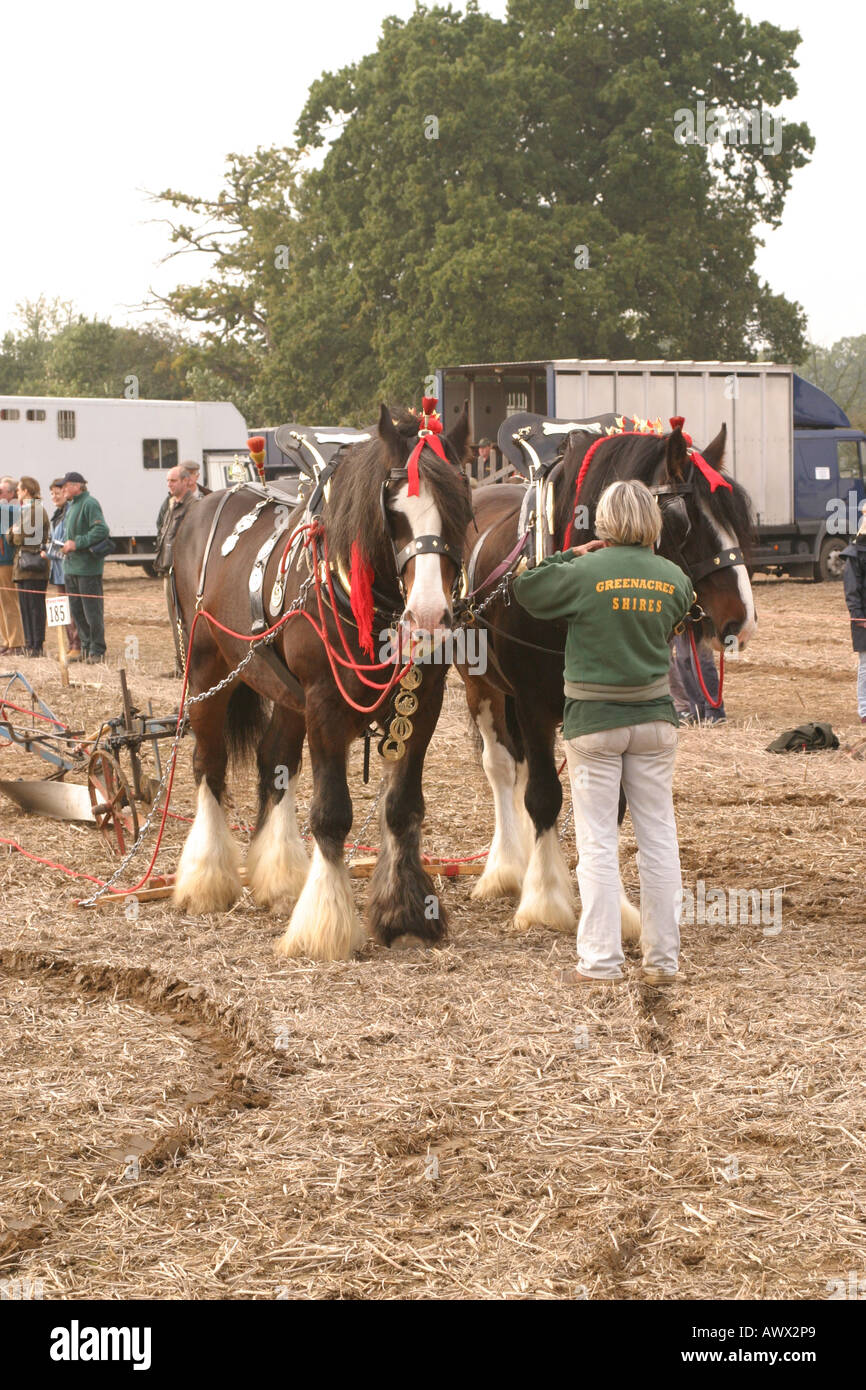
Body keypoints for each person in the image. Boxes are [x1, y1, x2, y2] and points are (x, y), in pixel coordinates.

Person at [513, 479, 695, 986]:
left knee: (597, 844)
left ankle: (601, 962)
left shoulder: (585, 571)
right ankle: (663, 961)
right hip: (655, 720)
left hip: (594, 724)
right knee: (659, 838)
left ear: (604, 523)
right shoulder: (673, 578)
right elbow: (679, 615)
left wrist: (569, 553)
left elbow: (525, 589)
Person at [154, 464, 201, 676]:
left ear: (185, 481)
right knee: (175, 621)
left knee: (185, 620)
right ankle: (181, 664)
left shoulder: (194, 506)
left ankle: (190, 665)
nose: (169, 485)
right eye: (167, 481)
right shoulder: (172, 504)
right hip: (168, 569)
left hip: (182, 572)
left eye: (173, 481)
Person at [60, 471, 110, 664]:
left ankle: (97, 649)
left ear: (77, 486)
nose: (63, 489)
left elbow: (101, 530)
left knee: (92, 611)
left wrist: (77, 543)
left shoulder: (90, 503)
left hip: (88, 568)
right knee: (77, 611)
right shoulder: (72, 506)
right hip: (71, 567)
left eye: (66, 485)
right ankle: (87, 646)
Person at [7, 477, 50, 656]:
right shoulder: (26, 511)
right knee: (25, 606)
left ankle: (36, 645)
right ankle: (30, 643)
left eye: (18, 490)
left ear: (26, 491)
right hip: (23, 565)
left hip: (33, 565)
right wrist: (14, 531)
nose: (17, 493)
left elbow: (18, 536)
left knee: (35, 607)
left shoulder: (36, 510)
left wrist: (14, 530)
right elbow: (11, 537)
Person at [45, 478, 81, 657]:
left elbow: (63, 542)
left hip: (66, 567)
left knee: (73, 609)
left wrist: (48, 551)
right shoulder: (57, 514)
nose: (54, 496)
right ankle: (70, 644)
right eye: (51, 493)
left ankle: (77, 645)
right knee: (64, 609)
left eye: (57, 493)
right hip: (58, 570)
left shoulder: (67, 514)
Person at [842, 504, 866, 724]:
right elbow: (852, 590)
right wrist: (859, 618)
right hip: (864, 621)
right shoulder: (854, 555)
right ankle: (864, 710)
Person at [669, 630, 726, 724]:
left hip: (700, 619)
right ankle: (697, 710)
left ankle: (714, 711)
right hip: (682, 620)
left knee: (702, 659)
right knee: (683, 658)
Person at [0, 476, 26, 655]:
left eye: (1, 491)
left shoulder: (13, 508)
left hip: (6, 561)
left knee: (9, 602)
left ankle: (16, 642)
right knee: (2, 604)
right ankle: (7, 640)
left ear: (11, 493)